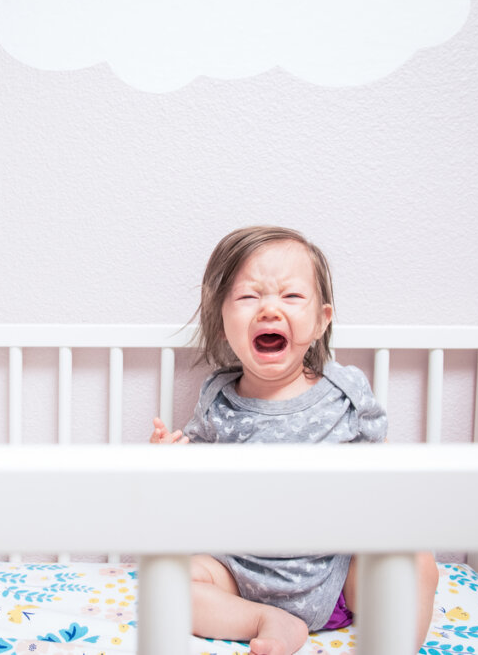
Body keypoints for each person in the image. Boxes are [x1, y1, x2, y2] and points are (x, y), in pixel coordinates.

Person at [150, 226, 438, 655]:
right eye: (249, 296)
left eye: (291, 296)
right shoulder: (217, 400)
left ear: (321, 320)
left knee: (416, 561)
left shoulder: (346, 392)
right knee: (167, 582)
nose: (269, 308)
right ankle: (266, 620)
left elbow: (384, 465)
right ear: (222, 321)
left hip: (335, 573)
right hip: (239, 572)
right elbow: (197, 485)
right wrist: (167, 465)